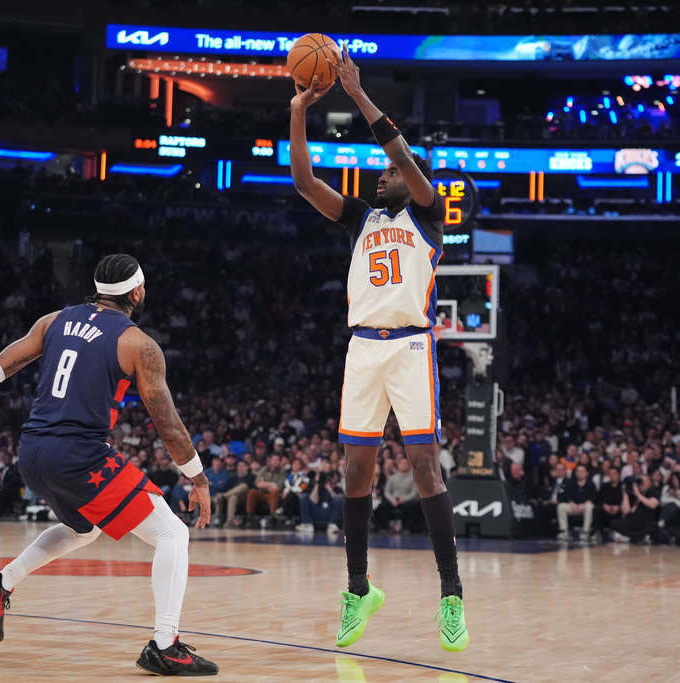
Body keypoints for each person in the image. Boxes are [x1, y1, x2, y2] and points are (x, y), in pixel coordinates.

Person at [0, 254, 218, 676]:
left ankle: (4, 582)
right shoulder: (138, 343)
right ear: (137, 292)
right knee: (172, 533)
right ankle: (166, 644)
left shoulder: (53, 321)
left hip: (32, 452)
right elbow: (167, 422)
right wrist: (197, 478)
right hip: (79, 455)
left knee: (84, 528)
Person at [289, 45, 467, 653]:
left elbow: (400, 153)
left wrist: (356, 92)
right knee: (356, 471)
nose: (383, 173)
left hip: (412, 348)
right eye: (382, 173)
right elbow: (304, 182)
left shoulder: (427, 214)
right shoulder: (359, 219)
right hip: (362, 350)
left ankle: (451, 595)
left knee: (423, 468)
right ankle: (358, 588)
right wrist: (298, 108)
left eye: (390, 170)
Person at [556, 462, 598, 543]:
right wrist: (573, 504)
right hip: (573, 507)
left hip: (585, 507)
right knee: (561, 506)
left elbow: (593, 499)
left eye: (582, 471)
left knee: (590, 507)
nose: (580, 473)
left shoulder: (591, 484)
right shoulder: (571, 483)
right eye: (578, 471)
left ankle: (586, 532)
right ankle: (564, 531)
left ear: (586, 473)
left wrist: (583, 505)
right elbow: (568, 497)